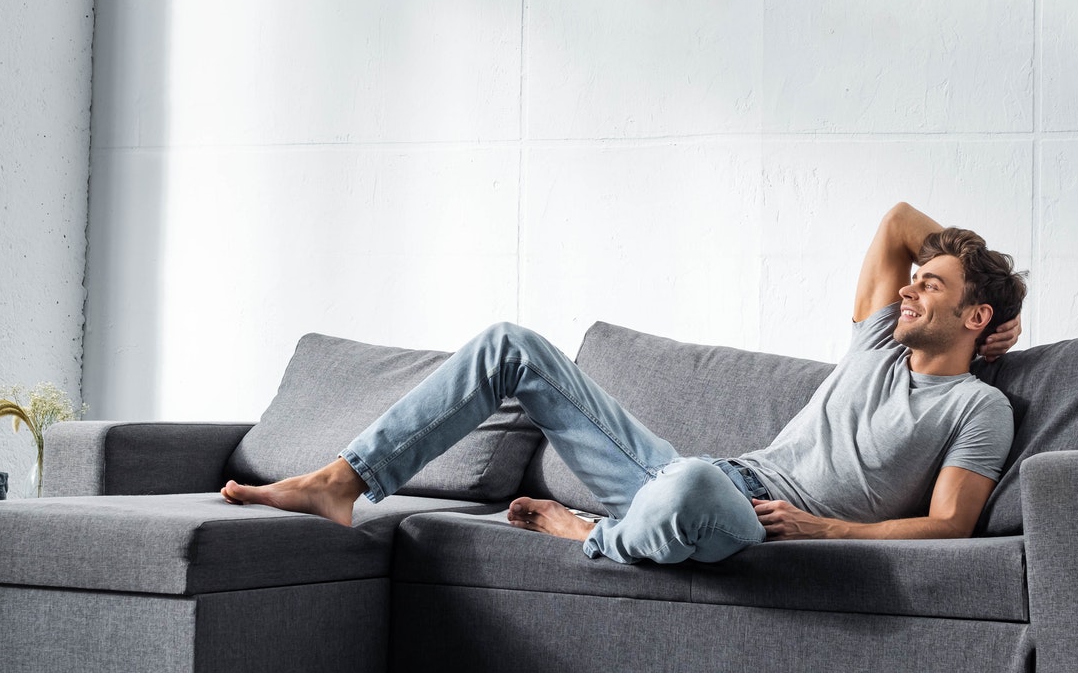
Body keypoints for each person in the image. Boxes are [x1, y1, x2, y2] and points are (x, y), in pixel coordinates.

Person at [221, 202, 1027, 564]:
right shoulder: (877, 342)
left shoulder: (977, 406)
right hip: (701, 471)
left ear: (972, 316)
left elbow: (952, 525)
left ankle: (588, 535)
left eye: (934, 285)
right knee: (513, 345)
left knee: (690, 493)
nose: (912, 287)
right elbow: (895, 221)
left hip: (750, 519)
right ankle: (341, 479)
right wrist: (962, 270)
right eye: (913, 280)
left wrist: (822, 530)